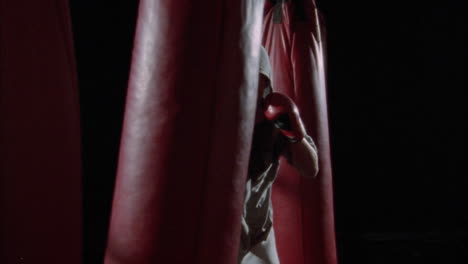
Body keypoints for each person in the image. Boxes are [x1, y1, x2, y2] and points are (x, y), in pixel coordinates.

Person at [238, 47, 319, 264]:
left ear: (266, 83)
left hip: (259, 234)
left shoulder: (274, 119)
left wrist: (295, 135)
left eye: (258, 77)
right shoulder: (218, 118)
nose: (252, 83)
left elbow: (311, 169)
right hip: (224, 233)